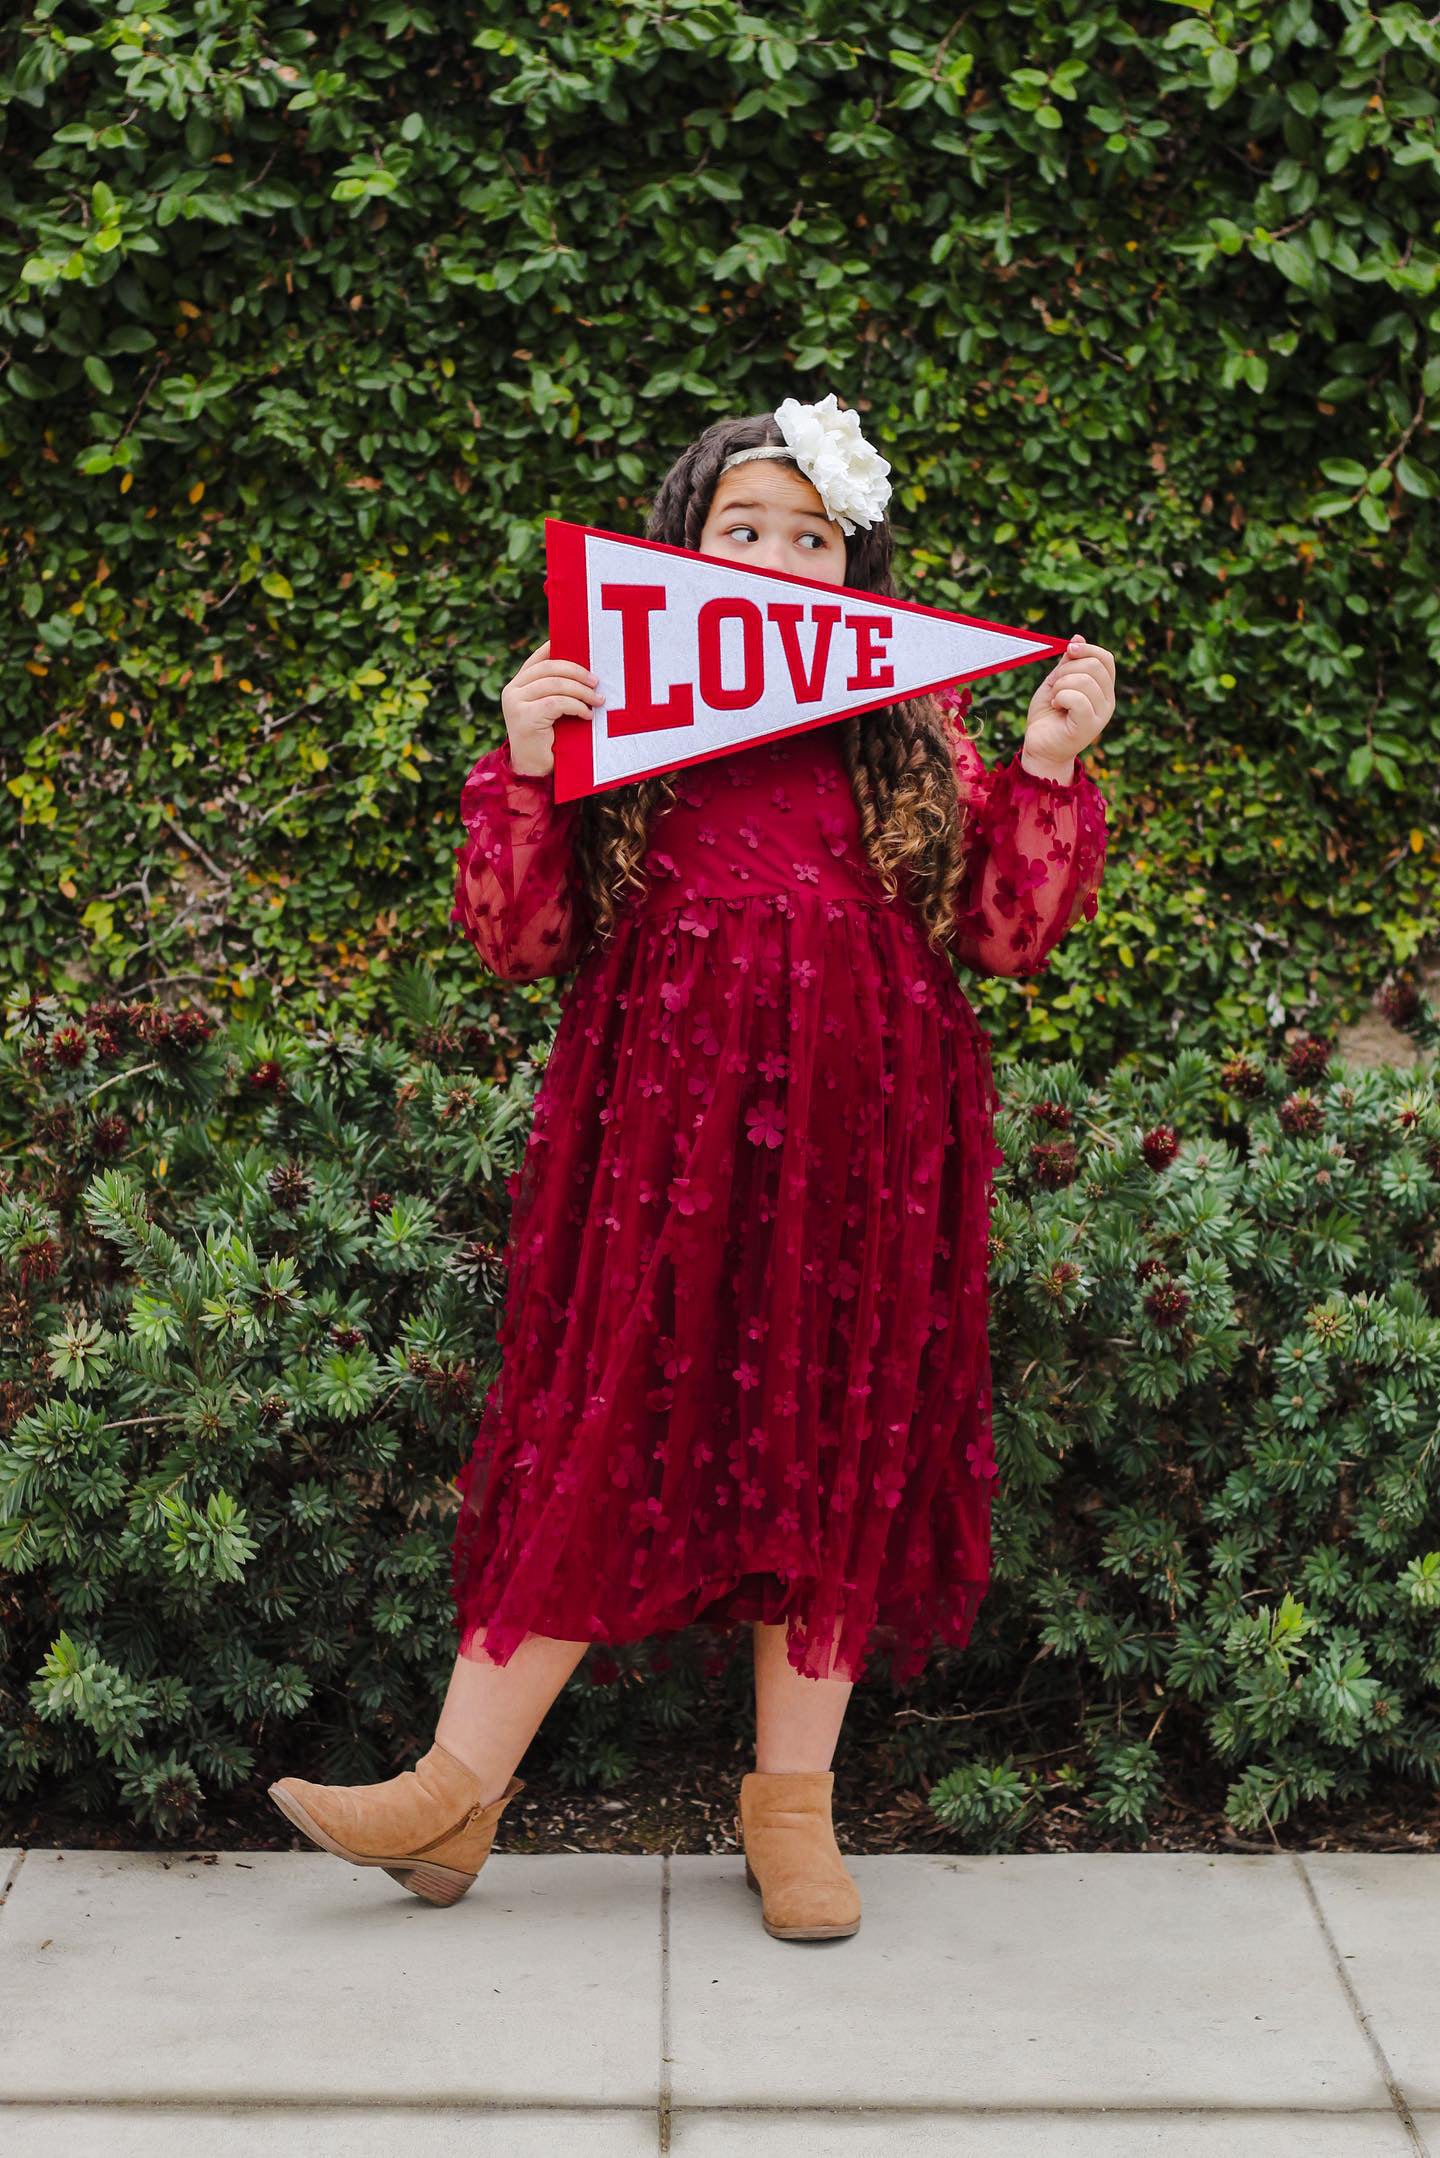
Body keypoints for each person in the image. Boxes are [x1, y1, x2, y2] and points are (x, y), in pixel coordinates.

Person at [269, 394, 1115, 1941]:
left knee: (831, 1435)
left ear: (856, 572)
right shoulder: (626, 709)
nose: (781, 559)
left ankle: (790, 1804)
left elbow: (1001, 932)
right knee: (607, 1422)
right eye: (747, 532)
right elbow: (520, 938)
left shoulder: (911, 727)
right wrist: (530, 754)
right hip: (663, 1135)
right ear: (685, 547)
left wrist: (1049, 763)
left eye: (815, 538)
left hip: (868, 1140)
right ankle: (457, 1786)